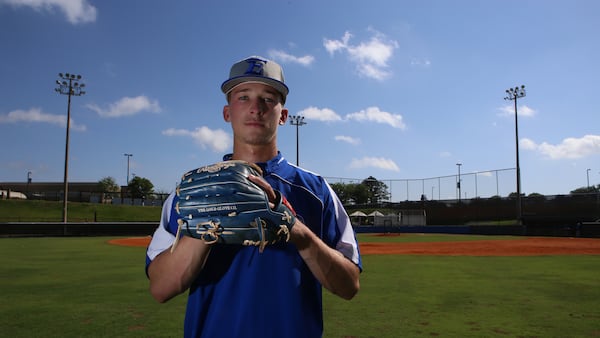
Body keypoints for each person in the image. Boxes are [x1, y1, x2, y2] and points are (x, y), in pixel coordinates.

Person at [146, 56, 362, 338]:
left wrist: (298, 232)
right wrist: (204, 227)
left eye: (268, 99)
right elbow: (161, 289)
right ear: (227, 112)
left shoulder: (316, 191)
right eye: (243, 97)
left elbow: (349, 286)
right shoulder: (190, 191)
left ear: (283, 116)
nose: (255, 108)